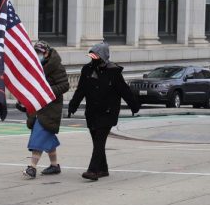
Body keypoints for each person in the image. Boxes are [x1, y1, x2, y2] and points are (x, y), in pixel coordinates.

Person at [67, 41, 140, 181]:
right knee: (97, 142)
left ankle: (93, 170)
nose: (93, 58)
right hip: (92, 112)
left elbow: (125, 90)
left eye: (96, 56)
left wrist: (134, 106)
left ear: (103, 56)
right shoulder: (87, 70)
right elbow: (80, 90)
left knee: (99, 141)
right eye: (91, 55)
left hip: (108, 112)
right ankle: (103, 168)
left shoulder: (114, 72)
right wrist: (73, 106)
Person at [20, 41, 69, 178]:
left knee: (39, 137)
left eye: (40, 53)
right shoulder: (33, 67)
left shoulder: (56, 67)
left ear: (46, 52)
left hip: (50, 108)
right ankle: (54, 165)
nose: (38, 55)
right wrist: (23, 101)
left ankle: (32, 168)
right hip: (37, 107)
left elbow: (64, 85)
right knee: (47, 137)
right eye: (35, 52)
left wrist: (46, 91)